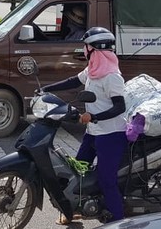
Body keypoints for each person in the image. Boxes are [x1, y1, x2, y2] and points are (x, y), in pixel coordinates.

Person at [40, 27, 127, 223]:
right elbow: (73, 81)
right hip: (94, 132)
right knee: (79, 171)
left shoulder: (112, 76)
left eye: (86, 47)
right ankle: (76, 211)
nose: (84, 50)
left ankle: (118, 221)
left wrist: (94, 117)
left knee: (107, 180)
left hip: (111, 135)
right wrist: (46, 88)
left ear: (95, 49)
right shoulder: (94, 70)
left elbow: (120, 107)